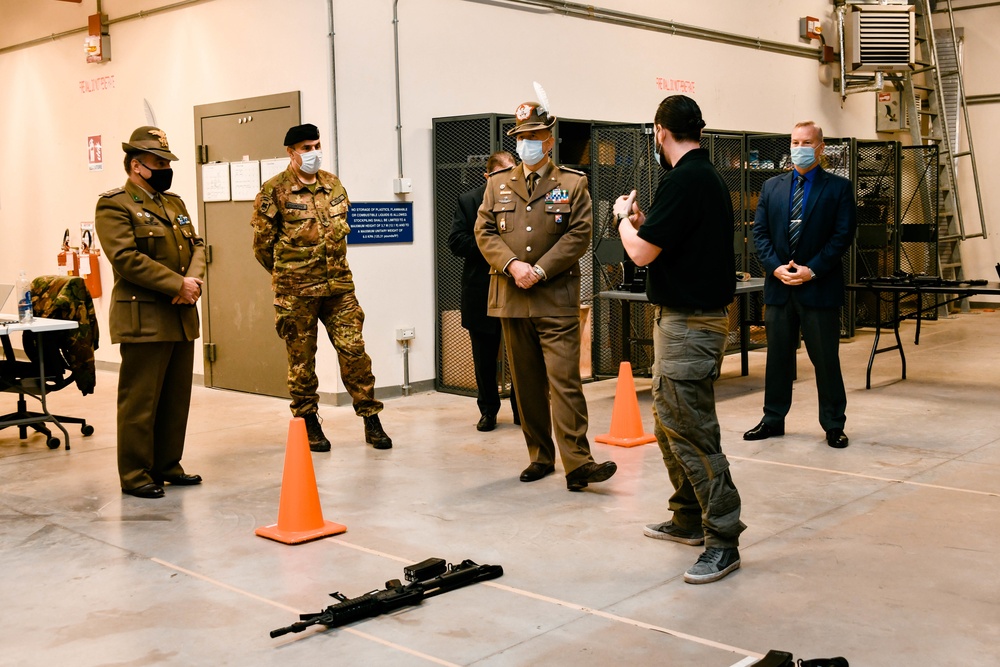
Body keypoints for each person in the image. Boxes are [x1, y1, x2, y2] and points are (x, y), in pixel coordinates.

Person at [615, 95, 745, 584]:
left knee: (691, 431)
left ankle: (723, 539)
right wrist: (647, 223)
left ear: (660, 131)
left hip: (690, 326)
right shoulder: (702, 178)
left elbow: (642, 254)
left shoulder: (685, 179)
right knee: (670, 424)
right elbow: (674, 240)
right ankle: (688, 516)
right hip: (684, 322)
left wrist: (623, 219)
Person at [475, 100, 616, 492]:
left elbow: (579, 234)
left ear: (549, 140)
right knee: (526, 383)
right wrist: (512, 266)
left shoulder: (573, 183)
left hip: (555, 295)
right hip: (512, 295)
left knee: (564, 380)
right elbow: (484, 232)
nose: (527, 143)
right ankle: (540, 456)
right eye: (522, 137)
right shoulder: (496, 184)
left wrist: (539, 269)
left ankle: (578, 463)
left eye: (534, 136)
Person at [251, 123, 391, 452]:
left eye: (316, 145)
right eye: (305, 147)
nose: (313, 152)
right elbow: (261, 246)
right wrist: (288, 276)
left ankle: (371, 418)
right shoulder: (275, 190)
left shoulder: (332, 184)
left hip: (339, 287)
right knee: (302, 361)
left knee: (355, 352)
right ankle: (308, 420)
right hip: (296, 291)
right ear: (291, 152)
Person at [96, 126, 206, 499]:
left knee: (176, 399)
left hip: (180, 314)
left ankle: (167, 465)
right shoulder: (114, 204)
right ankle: (135, 473)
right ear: (136, 165)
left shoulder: (172, 203)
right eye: (158, 163)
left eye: (166, 162)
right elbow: (126, 259)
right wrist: (178, 285)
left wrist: (191, 281)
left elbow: (198, 246)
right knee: (140, 401)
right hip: (143, 317)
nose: (165, 169)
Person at [744, 121, 857, 449]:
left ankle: (834, 423)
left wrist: (812, 270)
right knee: (777, 357)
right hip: (780, 287)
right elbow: (760, 233)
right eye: (795, 141)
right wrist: (775, 267)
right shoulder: (772, 187)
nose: (800, 147)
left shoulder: (838, 188)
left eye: (806, 142)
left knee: (825, 358)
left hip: (817, 287)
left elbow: (842, 236)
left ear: (820, 147)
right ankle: (772, 418)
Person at [448, 150, 520, 432]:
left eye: (513, 173)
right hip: (482, 288)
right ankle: (488, 410)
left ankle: (522, 411)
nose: (508, 180)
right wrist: (493, 247)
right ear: (487, 176)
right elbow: (456, 241)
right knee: (485, 358)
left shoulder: (524, 199)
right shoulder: (470, 201)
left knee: (521, 357)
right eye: (501, 175)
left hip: (517, 289)